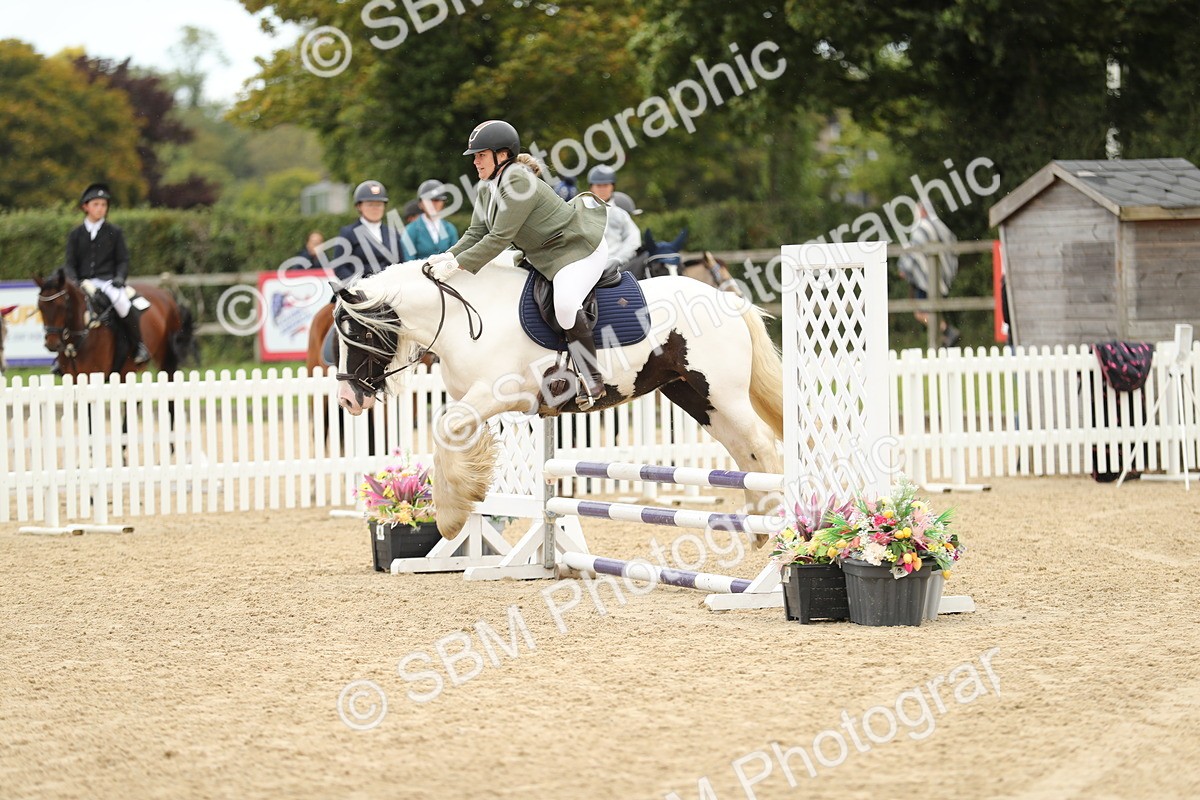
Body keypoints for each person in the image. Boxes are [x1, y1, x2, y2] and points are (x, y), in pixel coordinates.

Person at [428, 119, 609, 408]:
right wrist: (448, 257)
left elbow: (500, 237)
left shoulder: (518, 181)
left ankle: (592, 378)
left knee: (564, 305)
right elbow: (476, 232)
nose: (475, 162)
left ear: (502, 155)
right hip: (544, 256)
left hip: (577, 249)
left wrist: (458, 266)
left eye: (481, 155)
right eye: (474, 156)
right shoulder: (487, 187)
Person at [62, 183, 148, 363]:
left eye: (104, 205)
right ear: (85, 207)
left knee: (123, 303)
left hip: (108, 282)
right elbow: (70, 264)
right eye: (96, 204)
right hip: (83, 282)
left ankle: (139, 345)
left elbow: (123, 259)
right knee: (66, 309)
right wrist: (74, 281)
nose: (100, 208)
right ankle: (63, 355)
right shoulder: (75, 234)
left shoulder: (114, 232)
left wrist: (119, 277)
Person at [897, 204, 960, 347]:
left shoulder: (922, 228)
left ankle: (946, 331)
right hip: (939, 277)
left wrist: (904, 268)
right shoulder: (940, 226)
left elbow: (913, 251)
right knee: (933, 310)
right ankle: (943, 339)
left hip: (925, 279)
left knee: (921, 313)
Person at [331, 179, 411, 288]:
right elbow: (339, 267)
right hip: (359, 291)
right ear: (359, 206)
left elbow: (401, 264)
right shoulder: (348, 233)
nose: (375, 209)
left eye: (379, 204)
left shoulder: (392, 233)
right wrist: (358, 284)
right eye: (370, 204)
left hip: (390, 290)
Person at [587, 165, 641, 268]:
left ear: (613, 186)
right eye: (598, 185)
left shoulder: (620, 214)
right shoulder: (580, 209)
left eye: (606, 185)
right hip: (587, 266)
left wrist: (618, 260)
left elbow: (633, 239)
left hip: (617, 267)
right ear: (591, 187)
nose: (602, 189)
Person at [405, 180, 459, 261]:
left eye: (437, 200)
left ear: (443, 203)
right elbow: (408, 261)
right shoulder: (411, 230)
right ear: (420, 204)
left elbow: (455, 258)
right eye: (429, 200)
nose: (433, 204)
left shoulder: (450, 229)